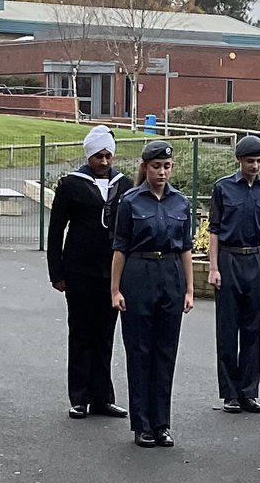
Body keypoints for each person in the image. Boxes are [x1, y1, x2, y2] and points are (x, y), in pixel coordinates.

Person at [110, 140, 195, 448]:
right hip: (139, 273)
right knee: (140, 351)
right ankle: (142, 423)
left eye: (166, 166)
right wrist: (115, 289)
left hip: (170, 274)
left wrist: (189, 289)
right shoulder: (131, 201)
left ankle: (161, 423)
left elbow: (185, 248)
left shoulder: (180, 203)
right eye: (156, 166)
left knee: (165, 352)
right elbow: (120, 248)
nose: (161, 172)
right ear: (145, 167)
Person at [47, 125, 132, 420]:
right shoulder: (71, 184)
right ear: (89, 156)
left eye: (108, 155)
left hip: (111, 273)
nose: (105, 162)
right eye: (99, 156)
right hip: (80, 270)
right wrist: (56, 272)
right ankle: (79, 397)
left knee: (105, 334)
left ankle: (102, 397)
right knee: (81, 332)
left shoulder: (124, 185)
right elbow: (57, 228)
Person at [208, 135, 260, 414]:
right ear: (239, 161)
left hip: (256, 258)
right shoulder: (223, 188)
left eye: (258, 161)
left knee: (252, 329)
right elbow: (214, 230)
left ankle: (248, 391)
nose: (255, 166)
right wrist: (213, 267)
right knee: (227, 328)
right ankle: (230, 393)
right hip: (230, 258)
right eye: (250, 161)